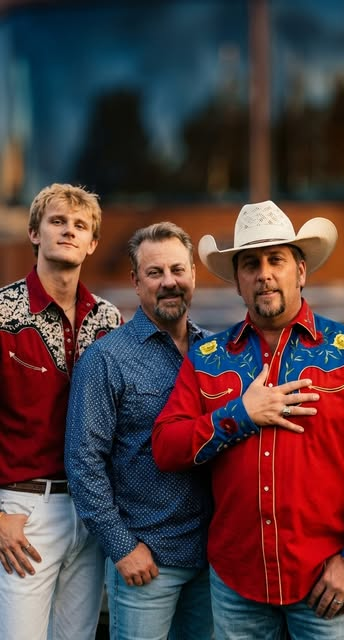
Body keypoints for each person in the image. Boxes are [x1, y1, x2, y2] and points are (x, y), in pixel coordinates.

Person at [152, 200, 344, 640]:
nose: (264, 274)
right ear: (238, 281)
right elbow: (166, 447)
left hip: (328, 580)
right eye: (250, 265)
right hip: (237, 582)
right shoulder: (207, 359)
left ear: (301, 271)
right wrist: (240, 415)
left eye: (276, 260)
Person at [64, 222, 214, 640]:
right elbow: (83, 462)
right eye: (154, 272)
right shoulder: (106, 360)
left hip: (212, 561)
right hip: (146, 563)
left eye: (178, 270)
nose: (169, 282)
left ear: (193, 274)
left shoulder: (213, 354)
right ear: (135, 281)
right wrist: (122, 547)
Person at [0, 183, 122, 640]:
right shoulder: (3, 313)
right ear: (35, 233)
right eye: (57, 221)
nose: (69, 231)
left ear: (92, 243)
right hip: (22, 510)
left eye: (80, 225)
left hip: (91, 512)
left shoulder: (109, 321)